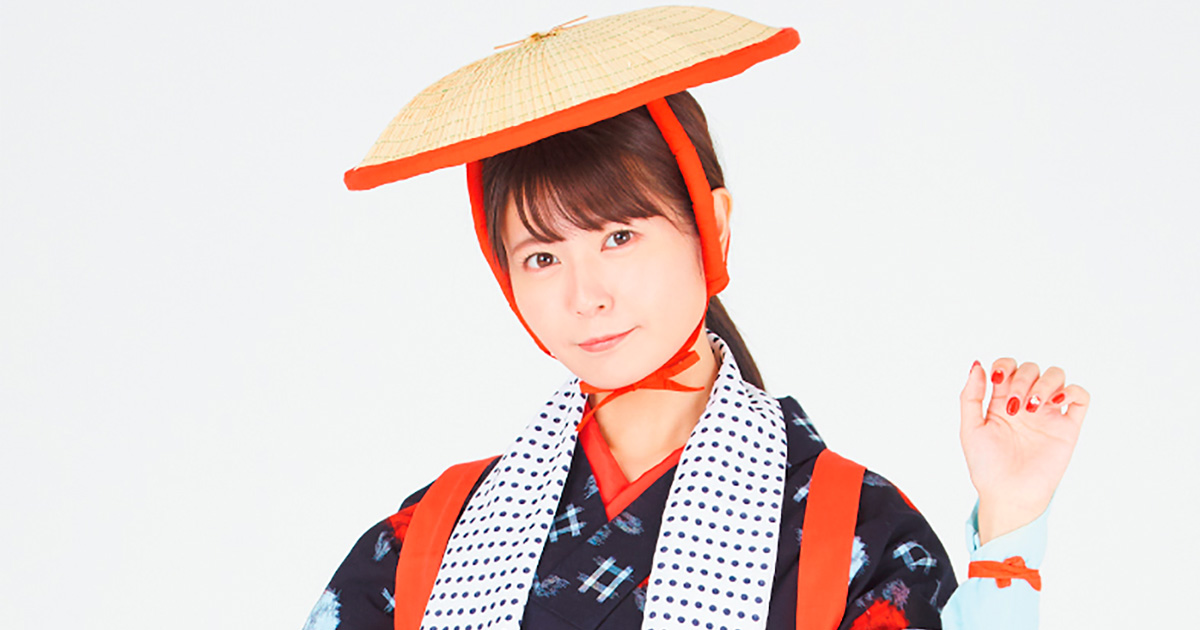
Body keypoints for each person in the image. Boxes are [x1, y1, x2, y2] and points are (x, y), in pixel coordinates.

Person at [305, 7, 1088, 630]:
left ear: (711, 227)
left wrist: (1012, 523)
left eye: (619, 237)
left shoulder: (851, 531)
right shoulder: (434, 534)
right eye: (541, 257)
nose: (586, 295)